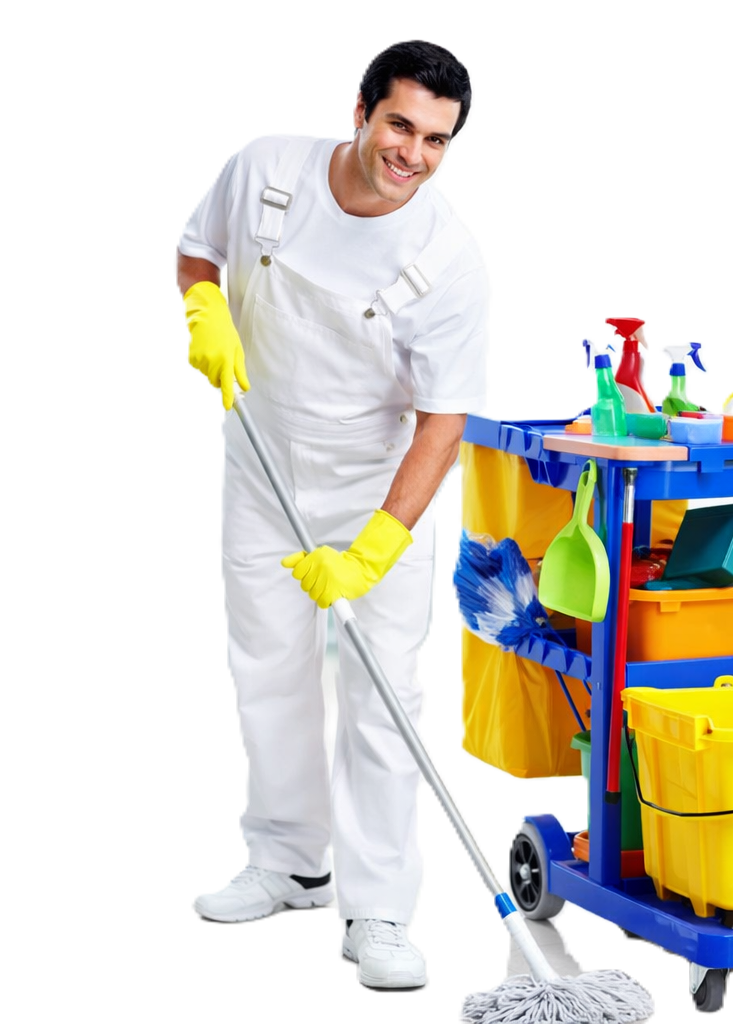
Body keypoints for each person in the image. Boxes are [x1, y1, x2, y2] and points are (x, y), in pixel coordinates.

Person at [171, 39, 483, 990]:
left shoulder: (444, 258)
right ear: (360, 110)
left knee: (384, 694)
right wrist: (204, 312)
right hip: (262, 461)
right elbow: (197, 254)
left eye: (436, 139)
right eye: (401, 125)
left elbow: (443, 422)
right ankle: (287, 859)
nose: (414, 155)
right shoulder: (265, 168)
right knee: (267, 665)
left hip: (373, 483)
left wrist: (377, 544)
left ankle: (379, 907)